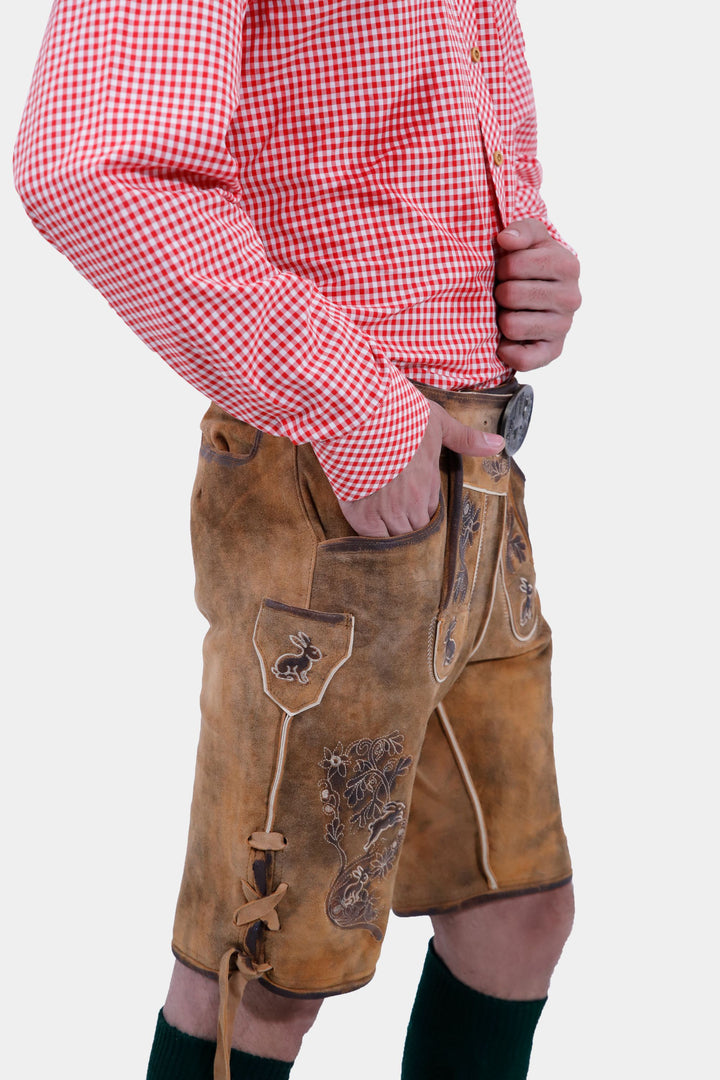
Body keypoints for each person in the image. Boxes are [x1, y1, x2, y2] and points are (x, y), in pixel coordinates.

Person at [14, 1, 581, 1077]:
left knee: (517, 913)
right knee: (265, 972)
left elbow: (392, 135)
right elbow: (86, 163)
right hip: (327, 491)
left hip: (477, 474)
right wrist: (354, 408)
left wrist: (526, 269)